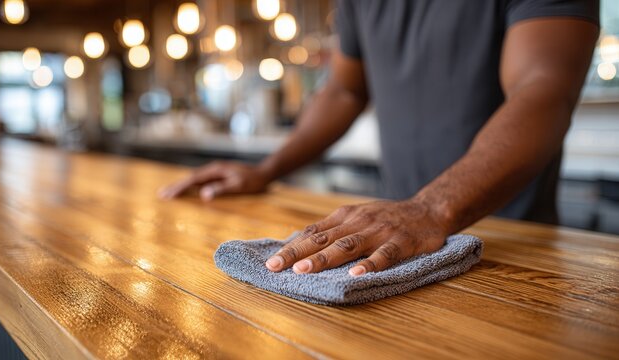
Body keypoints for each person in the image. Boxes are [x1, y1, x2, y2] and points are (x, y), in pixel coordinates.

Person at [159, 0, 599, 277]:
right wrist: (266, 169)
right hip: (392, 246)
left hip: (510, 251)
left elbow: (544, 89)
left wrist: (429, 208)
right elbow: (345, 89)